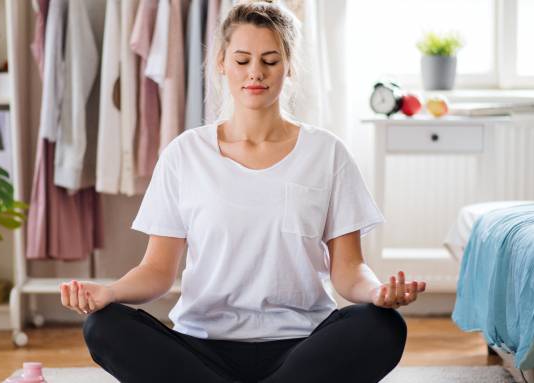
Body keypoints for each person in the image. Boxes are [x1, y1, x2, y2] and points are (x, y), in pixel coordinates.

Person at [60, 1, 427, 382]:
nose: (256, 72)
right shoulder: (185, 153)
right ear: (222, 62)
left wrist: (377, 293)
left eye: (270, 60)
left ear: (290, 66)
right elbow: (157, 270)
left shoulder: (326, 152)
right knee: (103, 326)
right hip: (202, 347)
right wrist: (109, 293)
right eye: (242, 60)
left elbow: (349, 269)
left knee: (383, 326)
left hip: (302, 346)